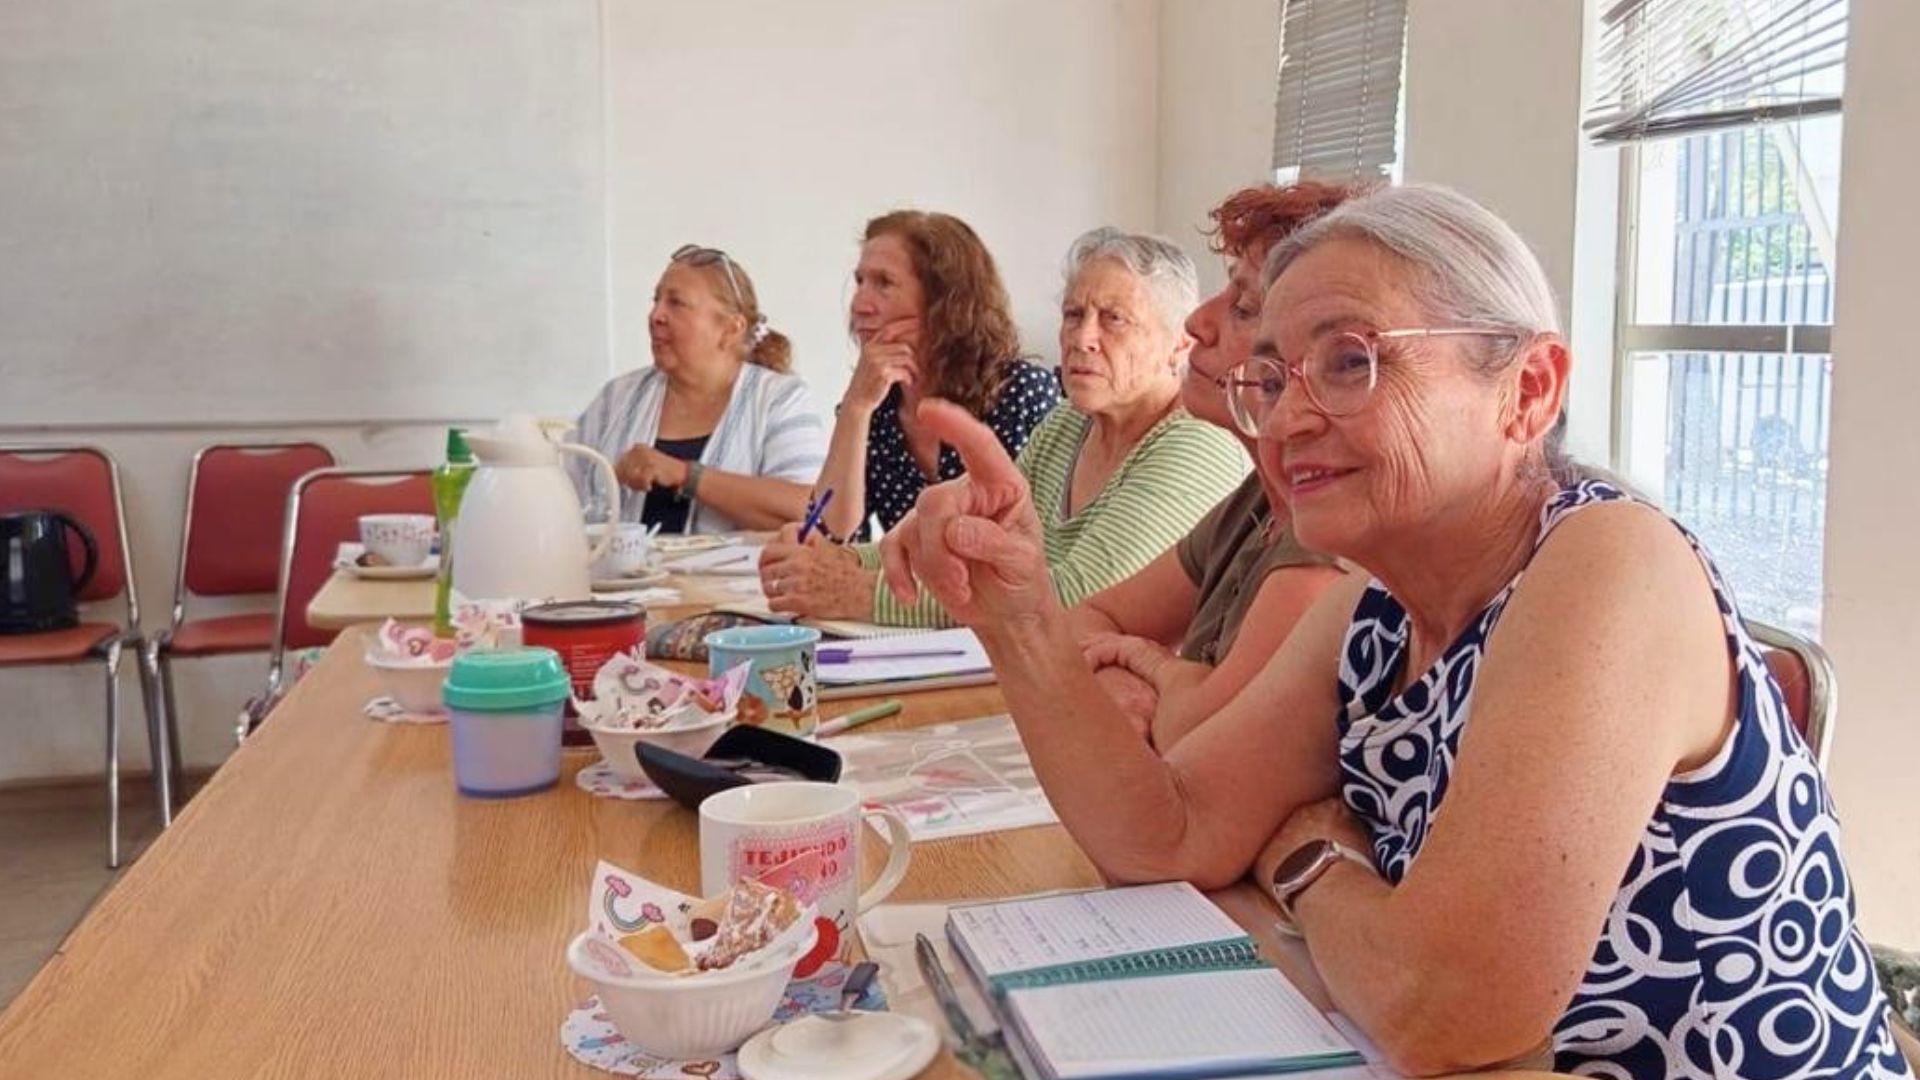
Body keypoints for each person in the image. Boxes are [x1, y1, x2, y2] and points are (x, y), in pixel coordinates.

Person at [875, 186, 1913, 1079]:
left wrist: (1309, 858)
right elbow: (1166, 835)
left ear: (1528, 391)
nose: (1287, 420)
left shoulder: (1609, 564)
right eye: (1273, 377)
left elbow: (1441, 1007)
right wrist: (1019, 619)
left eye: (1350, 361)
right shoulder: (1373, 611)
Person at [759, 227, 1246, 629]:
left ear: (1178, 344)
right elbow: (971, 542)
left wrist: (855, 590)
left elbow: (1078, 597)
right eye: (1073, 314)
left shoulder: (1198, 441)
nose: (1082, 338)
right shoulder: (1068, 423)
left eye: (1113, 320)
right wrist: (838, 561)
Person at [1070, 182, 1353, 748]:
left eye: (1244, 307)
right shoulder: (1257, 501)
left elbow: (1199, 737)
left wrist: (1151, 670)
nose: (1198, 322)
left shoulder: (1321, 549)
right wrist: (1130, 683)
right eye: (1072, 314)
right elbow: (1085, 618)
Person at [807, 210, 1060, 542]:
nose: (859, 305)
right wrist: (855, 408)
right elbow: (829, 532)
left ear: (943, 300)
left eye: (884, 283)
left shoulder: (1022, 392)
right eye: (860, 282)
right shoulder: (875, 402)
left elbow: (1049, 541)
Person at [571, 245, 826, 534]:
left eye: (676, 303)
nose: (656, 315)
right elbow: (561, 497)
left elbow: (809, 515)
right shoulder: (617, 398)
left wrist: (685, 475)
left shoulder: (780, 399)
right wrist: (609, 481)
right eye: (656, 300)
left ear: (731, 328)